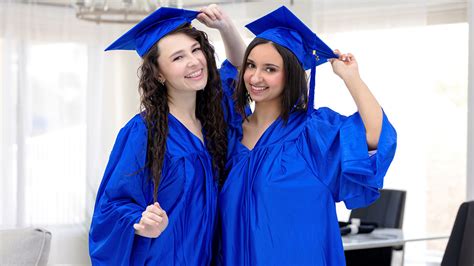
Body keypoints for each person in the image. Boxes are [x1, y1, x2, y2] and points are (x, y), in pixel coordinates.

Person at [216, 6, 397, 265]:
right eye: (252, 66)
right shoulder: (232, 134)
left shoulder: (312, 133)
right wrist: (225, 27)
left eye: (270, 69)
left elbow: (376, 137)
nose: (256, 77)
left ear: (290, 75)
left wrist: (350, 77)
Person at [88, 5, 245, 265]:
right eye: (178, 57)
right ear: (159, 74)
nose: (194, 61)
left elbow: (238, 68)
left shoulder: (215, 118)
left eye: (196, 50)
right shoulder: (143, 131)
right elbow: (111, 206)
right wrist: (140, 222)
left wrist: (226, 26)